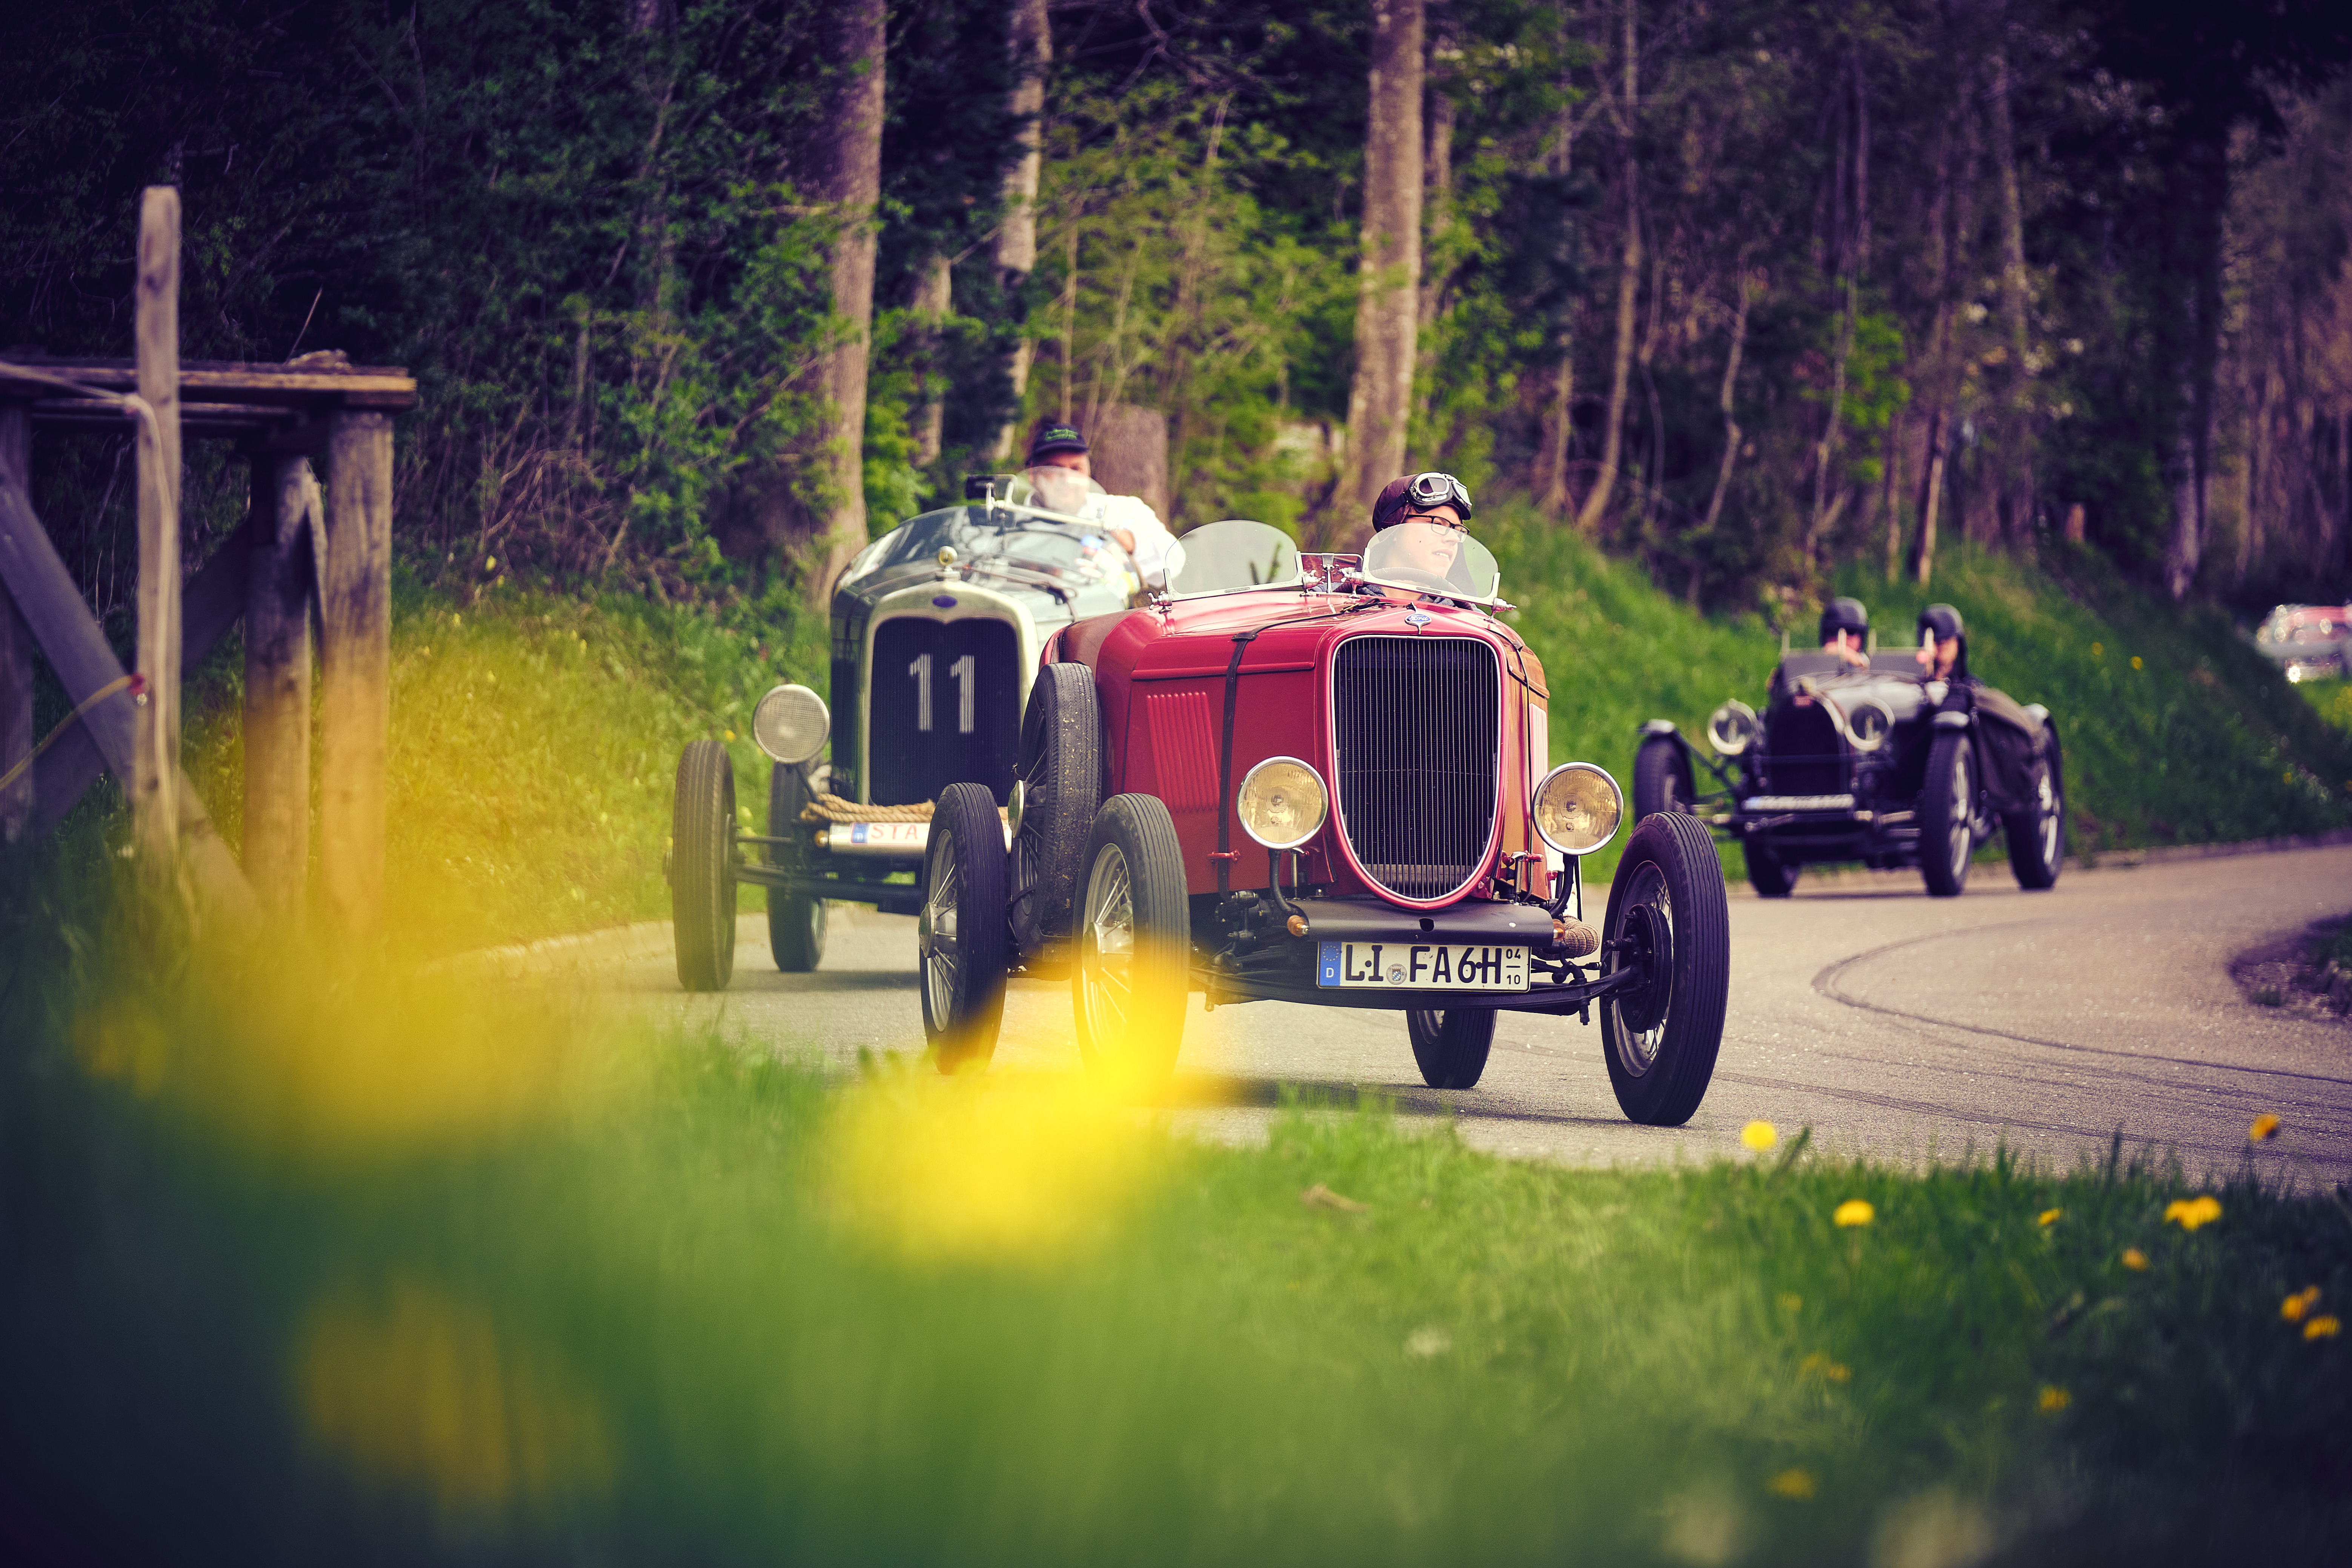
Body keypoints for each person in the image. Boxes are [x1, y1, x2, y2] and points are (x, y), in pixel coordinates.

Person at [1023, 420, 1178, 585]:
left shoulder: (1121, 510)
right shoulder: (1007, 518)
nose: (1067, 479)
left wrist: (1128, 543)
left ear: (1088, 472)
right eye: (1054, 469)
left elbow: (1175, 559)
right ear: (1032, 474)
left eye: (1076, 469)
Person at [1364, 471, 1473, 600]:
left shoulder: (1467, 616)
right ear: (1394, 529)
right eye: (1438, 524)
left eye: (1458, 531)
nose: (1454, 538)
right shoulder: (1337, 599)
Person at [1820, 596, 1870, 669]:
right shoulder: (1814, 665)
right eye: (1834, 631)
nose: (1843, 638)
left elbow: (1865, 664)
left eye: (1851, 631)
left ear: (1861, 637)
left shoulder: (1867, 662)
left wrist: (1857, 660)